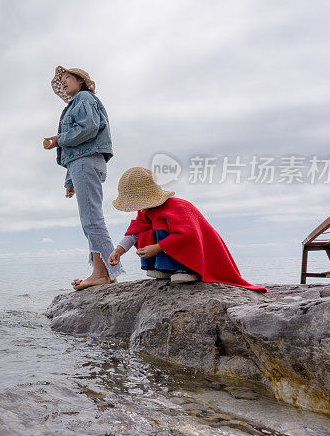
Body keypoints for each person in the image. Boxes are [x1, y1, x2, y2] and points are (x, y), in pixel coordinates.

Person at [107, 167, 266, 292]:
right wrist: (118, 251)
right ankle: (163, 269)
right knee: (145, 231)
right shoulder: (145, 211)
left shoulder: (177, 207)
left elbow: (187, 236)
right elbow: (135, 232)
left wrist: (156, 248)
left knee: (162, 228)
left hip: (192, 251)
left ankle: (186, 270)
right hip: (166, 250)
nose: (138, 208)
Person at [43, 65, 123, 290]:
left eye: (69, 78)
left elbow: (89, 128)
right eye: (63, 80)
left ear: (81, 81)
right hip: (82, 162)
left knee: (92, 220)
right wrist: (69, 181)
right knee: (89, 220)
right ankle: (102, 272)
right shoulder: (77, 102)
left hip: (86, 161)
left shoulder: (84, 98)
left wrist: (59, 139)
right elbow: (77, 149)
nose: (65, 82)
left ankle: (104, 272)